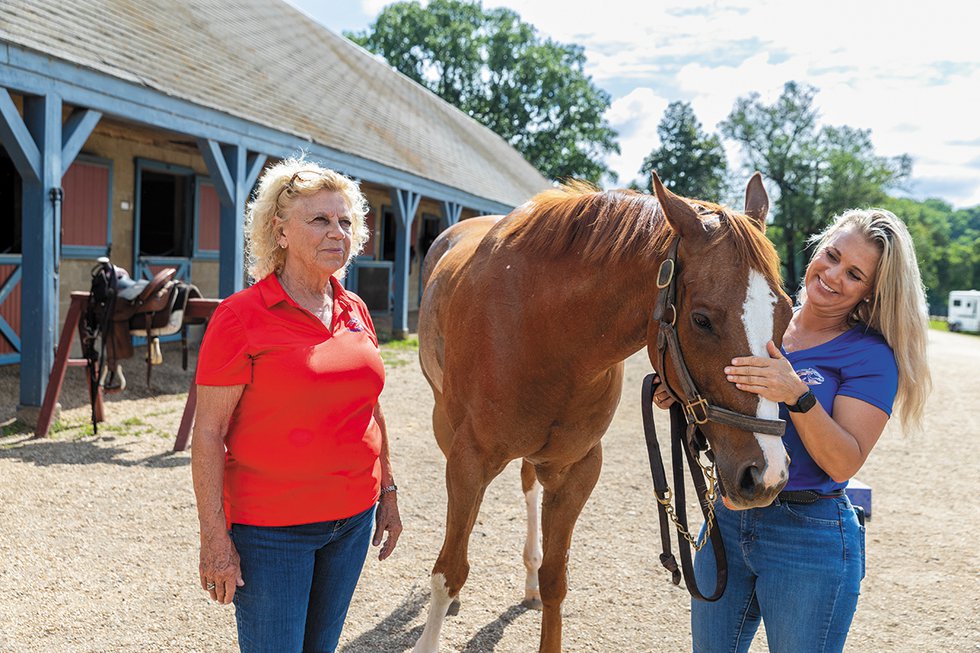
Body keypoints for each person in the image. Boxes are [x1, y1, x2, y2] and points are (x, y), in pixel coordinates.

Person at [654, 208, 931, 653]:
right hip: (728, 515)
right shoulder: (763, 319)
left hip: (809, 535)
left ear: (870, 292)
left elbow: (844, 460)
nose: (834, 274)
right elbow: (731, 404)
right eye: (833, 255)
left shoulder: (871, 358)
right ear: (818, 249)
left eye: (855, 274)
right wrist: (683, 396)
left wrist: (797, 393)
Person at [191, 158, 402, 653]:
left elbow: (371, 407)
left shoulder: (355, 309)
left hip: (351, 522)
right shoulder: (240, 317)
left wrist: (387, 491)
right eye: (320, 220)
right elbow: (207, 433)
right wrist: (215, 541)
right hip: (272, 532)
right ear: (280, 232)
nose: (338, 233)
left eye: (345, 221)